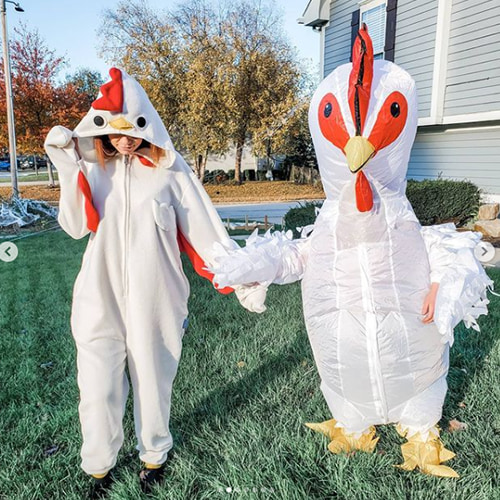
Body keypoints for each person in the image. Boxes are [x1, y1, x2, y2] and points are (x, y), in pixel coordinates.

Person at [44, 67, 266, 497]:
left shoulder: (171, 169)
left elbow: (205, 229)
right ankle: (99, 467)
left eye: (133, 130)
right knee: (97, 387)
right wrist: (66, 166)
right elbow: (74, 226)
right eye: (115, 131)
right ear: (101, 127)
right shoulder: (94, 168)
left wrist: (242, 277)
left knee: (152, 378)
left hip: (157, 296)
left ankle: (154, 457)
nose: (125, 140)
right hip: (98, 295)